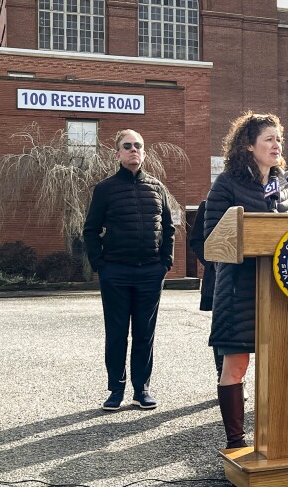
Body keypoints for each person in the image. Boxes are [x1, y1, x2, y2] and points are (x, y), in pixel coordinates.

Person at [205, 112, 288, 449]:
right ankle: (236, 441)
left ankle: (279, 436)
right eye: (269, 138)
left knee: (281, 364)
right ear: (249, 144)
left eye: (278, 139)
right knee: (236, 364)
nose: (276, 145)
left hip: (281, 288)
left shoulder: (283, 183)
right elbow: (211, 236)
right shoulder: (227, 182)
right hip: (239, 288)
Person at [83, 129, 175, 412]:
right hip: (116, 273)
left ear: (144, 153)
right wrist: (101, 265)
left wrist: (165, 263)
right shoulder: (105, 189)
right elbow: (90, 230)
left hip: (150, 272)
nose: (133, 150)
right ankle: (115, 390)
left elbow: (169, 228)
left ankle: (141, 390)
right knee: (117, 332)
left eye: (138, 145)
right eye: (128, 146)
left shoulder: (157, 188)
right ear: (118, 154)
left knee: (145, 333)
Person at [188, 200, 222, 381]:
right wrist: (212, 262)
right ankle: (223, 374)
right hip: (218, 276)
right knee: (222, 327)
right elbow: (196, 240)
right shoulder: (208, 204)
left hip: (253, 275)